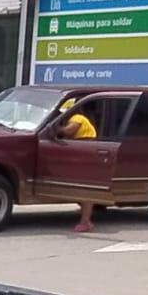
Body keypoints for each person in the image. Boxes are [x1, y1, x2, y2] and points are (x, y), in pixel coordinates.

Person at [58, 98, 99, 233]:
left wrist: (56, 128)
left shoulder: (78, 117)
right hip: (83, 154)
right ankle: (86, 214)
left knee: (85, 190)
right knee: (79, 188)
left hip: (87, 154)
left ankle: (85, 221)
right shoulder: (76, 118)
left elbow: (69, 131)